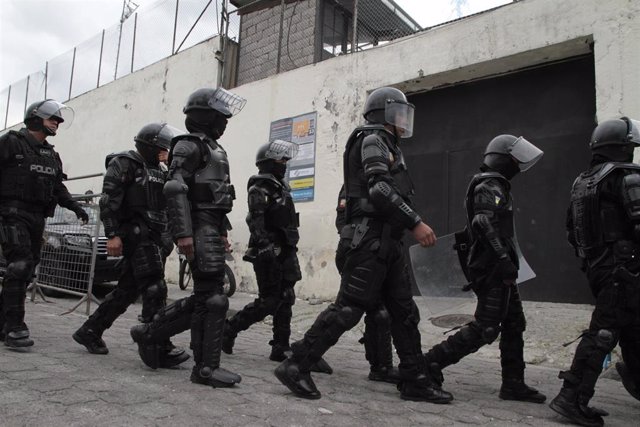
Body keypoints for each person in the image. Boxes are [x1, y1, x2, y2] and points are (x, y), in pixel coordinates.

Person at [274, 86, 451, 402]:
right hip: (369, 241)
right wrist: (415, 222)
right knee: (348, 310)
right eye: (398, 113)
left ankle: (415, 378)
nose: (403, 120)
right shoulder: (373, 140)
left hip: (388, 242)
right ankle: (296, 365)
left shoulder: (387, 143)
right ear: (384, 114)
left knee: (404, 313)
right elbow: (380, 190)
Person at [130, 87, 246, 388]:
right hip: (196, 225)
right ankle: (205, 368)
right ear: (206, 116)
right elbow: (174, 187)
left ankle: (151, 333)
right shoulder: (189, 145)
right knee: (213, 299)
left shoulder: (214, 148)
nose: (225, 121)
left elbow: (217, 196)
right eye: (221, 116)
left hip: (210, 224)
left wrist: (222, 231)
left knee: (206, 298)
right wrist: (183, 232)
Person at [422, 134, 546, 405]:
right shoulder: (489, 185)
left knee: (514, 323)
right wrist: (502, 260)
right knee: (486, 327)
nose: (517, 163)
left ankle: (513, 383)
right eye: (513, 158)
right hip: (491, 267)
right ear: (502, 159)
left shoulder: (496, 185)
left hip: (500, 267)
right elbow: (483, 222)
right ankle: (429, 364)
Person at [72, 122, 187, 368]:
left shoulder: (162, 169)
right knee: (155, 288)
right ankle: (157, 345)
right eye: (162, 147)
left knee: (126, 292)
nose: (166, 151)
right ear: (149, 145)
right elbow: (108, 201)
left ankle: (90, 330)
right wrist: (112, 234)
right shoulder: (124, 163)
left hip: (155, 237)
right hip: (135, 235)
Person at [550, 117, 640, 427]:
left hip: (600, 266)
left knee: (632, 328)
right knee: (603, 333)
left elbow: (571, 231)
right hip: (625, 268)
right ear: (623, 147)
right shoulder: (626, 176)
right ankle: (571, 397)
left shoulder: (583, 182)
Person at [0, 99, 89, 347]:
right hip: (12, 213)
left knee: (26, 270)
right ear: (37, 119)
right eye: (53, 119)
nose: (57, 124)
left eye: (59, 121)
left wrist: (76, 207)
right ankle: (15, 327)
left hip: (38, 217)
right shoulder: (10, 142)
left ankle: (3, 322)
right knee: (19, 265)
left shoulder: (51, 155)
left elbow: (57, 187)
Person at [221, 140, 306, 362]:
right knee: (269, 301)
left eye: (286, 159)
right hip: (268, 249)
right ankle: (229, 329)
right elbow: (255, 219)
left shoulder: (281, 187)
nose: (285, 163)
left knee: (286, 297)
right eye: (280, 159)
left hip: (286, 247)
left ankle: (280, 345)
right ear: (267, 162)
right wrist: (265, 245)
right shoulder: (259, 187)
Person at [335, 186, 399, 384]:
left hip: (379, 254)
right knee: (346, 311)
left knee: (378, 312)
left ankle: (381, 367)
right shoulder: (354, 186)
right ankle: (305, 354)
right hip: (359, 253)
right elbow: (342, 222)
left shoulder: (387, 183)